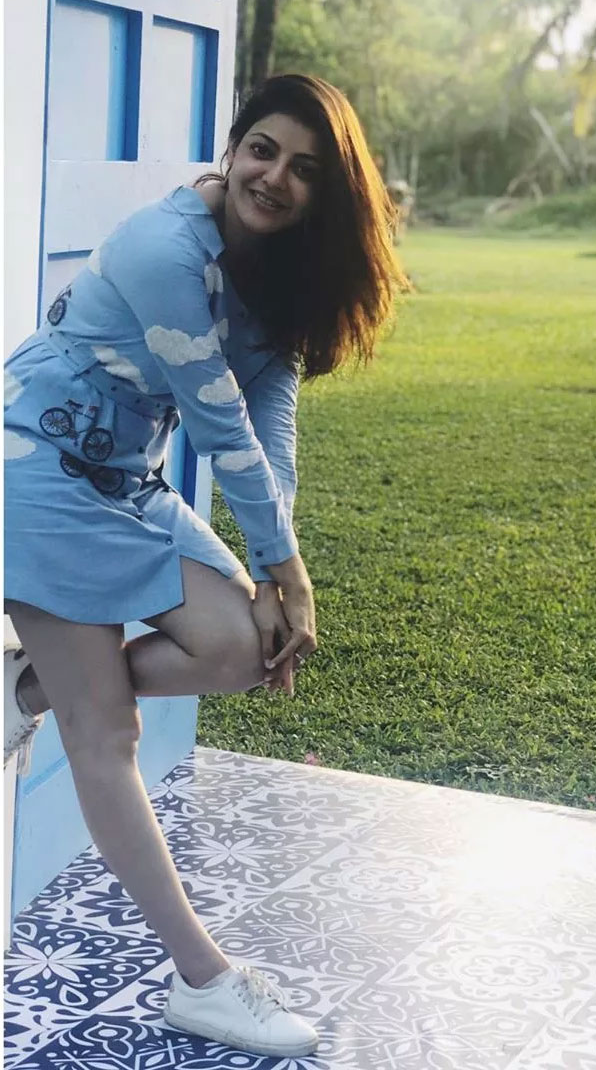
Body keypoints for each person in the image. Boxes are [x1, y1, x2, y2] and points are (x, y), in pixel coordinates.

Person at [3, 73, 407, 1058]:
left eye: (304, 169)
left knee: (239, 645)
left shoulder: (275, 273)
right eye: (262, 149)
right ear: (233, 148)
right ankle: (205, 982)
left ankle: (25, 687)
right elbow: (220, 426)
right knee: (109, 735)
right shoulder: (164, 248)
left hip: (123, 480)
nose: (274, 177)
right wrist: (289, 573)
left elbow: (270, 418)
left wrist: (275, 577)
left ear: (328, 193)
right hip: (35, 467)